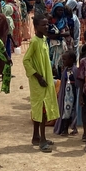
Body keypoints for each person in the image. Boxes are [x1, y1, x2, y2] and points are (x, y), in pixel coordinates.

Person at [23, 15, 59, 153]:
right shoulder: (34, 42)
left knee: (40, 109)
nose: (46, 27)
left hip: (46, 78)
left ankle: (36, 136)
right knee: (42, 110)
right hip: (39, 81)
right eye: (43, 25)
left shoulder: (43, 40)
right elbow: (26, 60)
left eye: (47, 24)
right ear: (36, 27)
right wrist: (38, 76)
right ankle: (42, 140)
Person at [54, 49, 80, 136]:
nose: (63, 61)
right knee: (66, 112)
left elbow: (77, 84)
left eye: (65, 59)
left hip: (73, 95)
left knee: (73, 112)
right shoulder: (65, 71)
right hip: (66, 96)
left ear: (71, 60)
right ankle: (65, 129)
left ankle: (71, 129)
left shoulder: (75, 70)